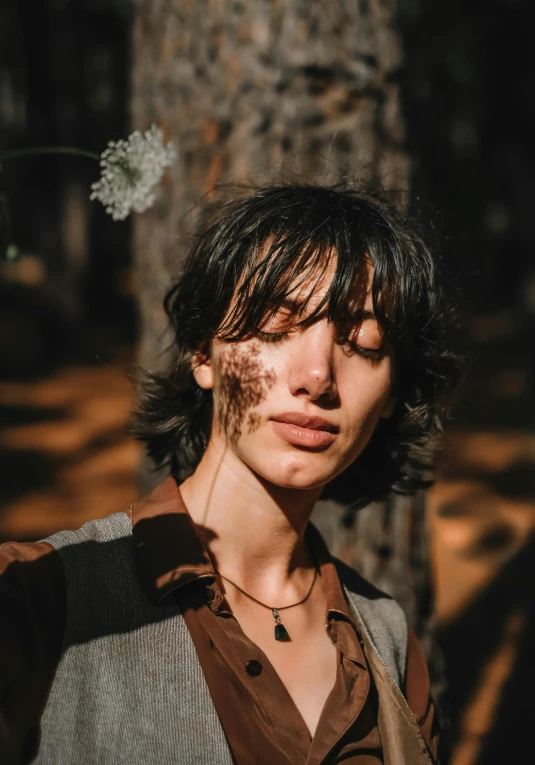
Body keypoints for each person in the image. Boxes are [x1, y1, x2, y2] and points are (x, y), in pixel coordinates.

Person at [0, 184, 458, 764]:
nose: (317, 376)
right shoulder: (39, 596)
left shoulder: (388, 643)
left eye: (361, 340)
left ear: (393, 390)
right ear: (202, 354)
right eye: (275, 322)